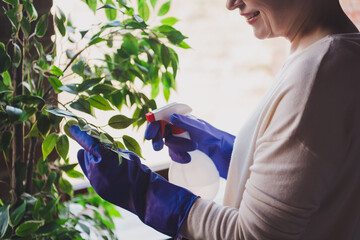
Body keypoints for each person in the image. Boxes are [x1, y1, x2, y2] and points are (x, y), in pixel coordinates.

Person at [70, 0, 360, 239]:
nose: (231, 4)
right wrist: (225, 150)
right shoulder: (335, 53)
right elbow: (314, 182)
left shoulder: (319, 73)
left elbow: (252, 236)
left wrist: (142, 191)